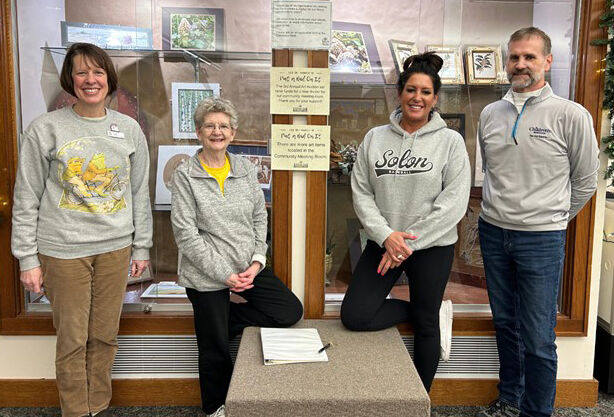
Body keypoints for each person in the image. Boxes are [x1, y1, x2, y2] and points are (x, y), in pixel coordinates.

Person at [11, 43, 153, 417]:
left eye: (97, 72)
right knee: (72, 339)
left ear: (109, 78)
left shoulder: (129, 129)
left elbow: (139, 193)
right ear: (69, 80)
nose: (90, 80)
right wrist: (28, 258)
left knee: (105, 336)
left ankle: (98, 405)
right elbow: (26, 197)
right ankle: (77, 411)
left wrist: (142, 248)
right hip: (62, 249)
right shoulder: (45, 128)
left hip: (115, 248)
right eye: (81, 73)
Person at [475, 27, 599, 417]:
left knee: (538, 336)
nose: (520, 64)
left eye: (529, 57)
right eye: (514, 57)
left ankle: (536, 412)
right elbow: (493, 173)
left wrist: (553, 217)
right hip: (494, 233)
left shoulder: (571, 115)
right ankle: (510, 399)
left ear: (548, 61)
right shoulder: (490, 114)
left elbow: (586, 181)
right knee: (506, 325)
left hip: (541, 240)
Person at [340, 52, 471, 392]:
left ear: (435, 99)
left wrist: (407, 243)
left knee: (427, 327)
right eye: (411, 89)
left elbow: (452, 204)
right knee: (355, 315)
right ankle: (424, 309)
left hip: (430, 247)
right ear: (400, 93)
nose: (418, 98)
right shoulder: (374, 138)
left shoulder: (451, 142)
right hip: (384, 244)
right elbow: (362, 193)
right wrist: (387, 237)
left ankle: (418, 400)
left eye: (426, 92)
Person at [170, 97, 303, 417]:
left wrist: (256, 263)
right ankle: (216, 407)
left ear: (233, 132)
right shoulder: (185, 176)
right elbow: (186, 235)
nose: (218, 132)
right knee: (214, 348)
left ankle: (218, 322)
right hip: (206, 273)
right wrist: (223, 276)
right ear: (198, 132)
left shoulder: (245, 168)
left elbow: (260, 217)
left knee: (288, 311)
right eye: (210, 126)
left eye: (224, 126)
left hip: (247, 266)